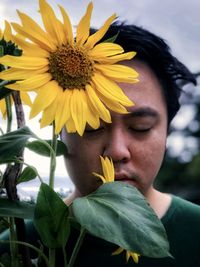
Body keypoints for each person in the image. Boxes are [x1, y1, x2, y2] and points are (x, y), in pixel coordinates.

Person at [1, 23, 200, 267]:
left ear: (167, 130)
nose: (116, 151)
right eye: (91, 127)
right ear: (59, 131)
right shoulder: (14, 248)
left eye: (141, 127)